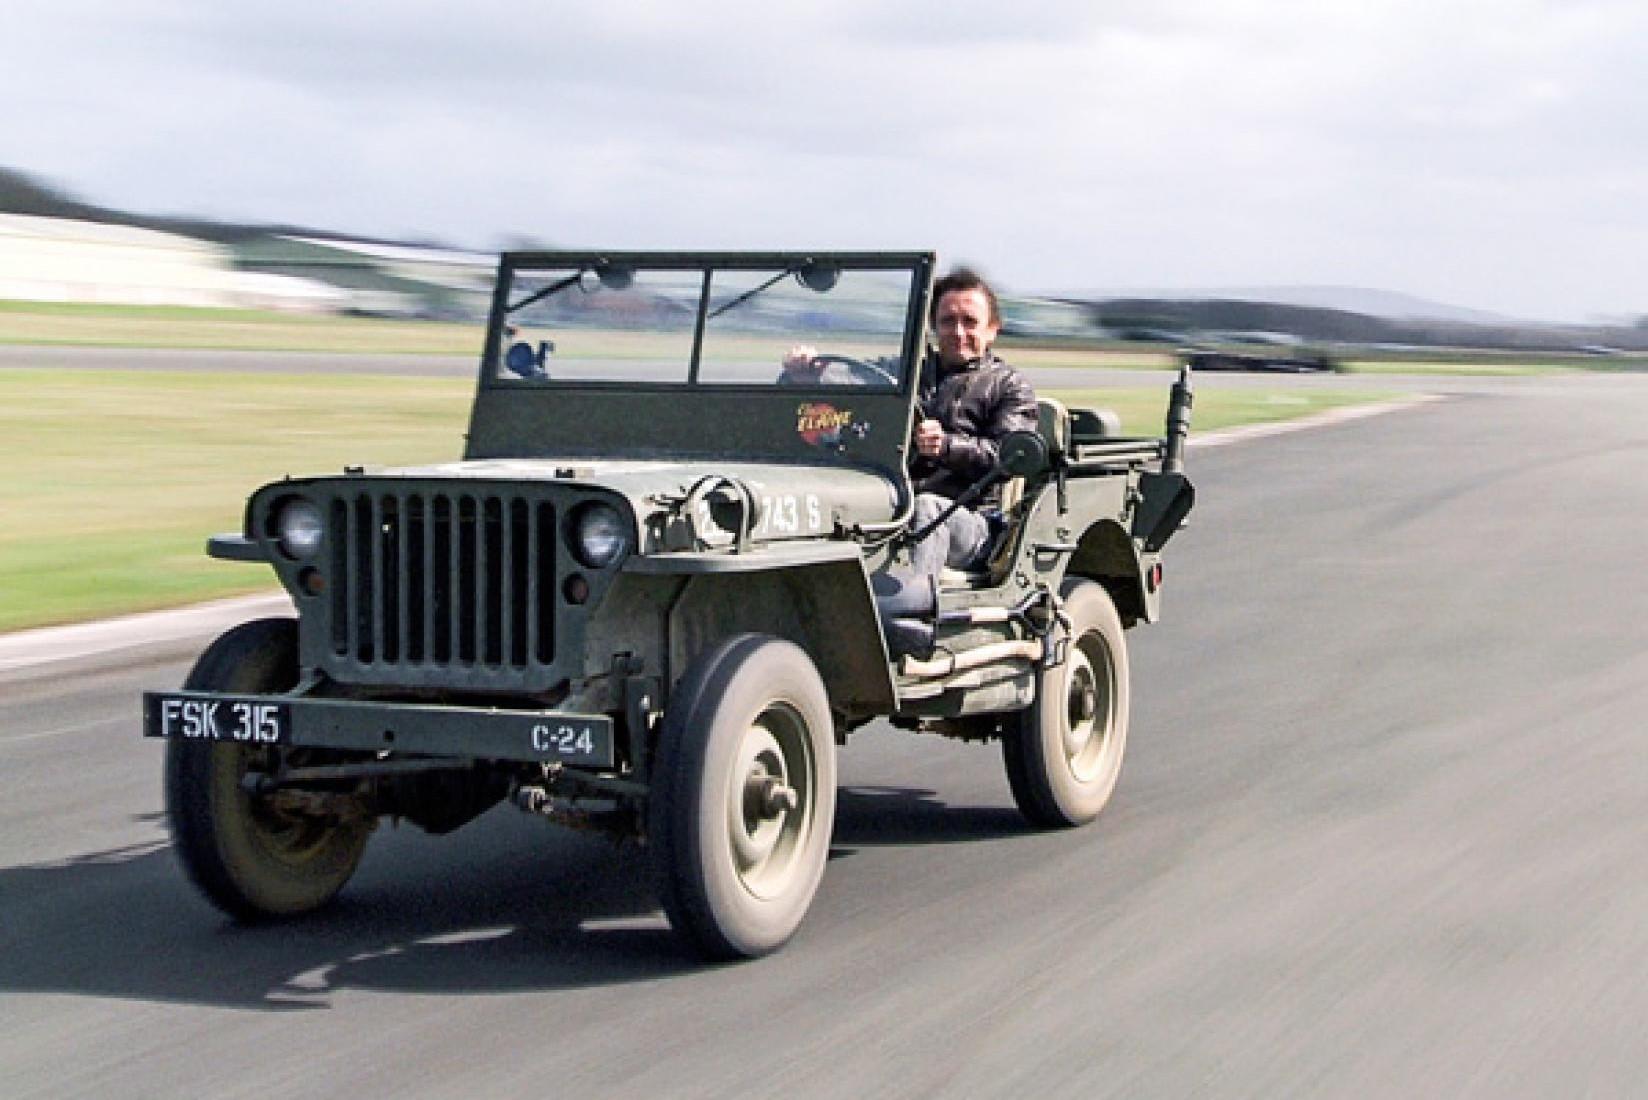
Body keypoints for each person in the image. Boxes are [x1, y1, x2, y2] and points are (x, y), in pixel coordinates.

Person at [877, 267, 1038, 620]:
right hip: (897, 504)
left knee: (929, 508)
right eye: (948, 321)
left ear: (992, 329)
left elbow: (1007, 457)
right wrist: (811, 370)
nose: (958, 332)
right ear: (933, 326)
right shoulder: (907, 375)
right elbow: (858, 382)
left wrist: (946, 446)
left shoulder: (1009, 386)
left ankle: (913, 618)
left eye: (970, 322)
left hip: (974, 522)